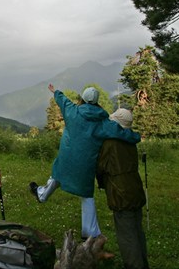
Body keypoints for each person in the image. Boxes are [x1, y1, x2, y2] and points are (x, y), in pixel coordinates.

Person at [29, 84, 141, 241]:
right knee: (86, 195)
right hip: (85, 165)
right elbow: (121, 133)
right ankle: (89, 232)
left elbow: (63, 100)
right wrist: (136, 137)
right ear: (96, 102)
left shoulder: (73, 111)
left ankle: (41, 194)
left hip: (66, 157)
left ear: (82, 99)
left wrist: (55, 91)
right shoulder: (103, 123)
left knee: (57, 175)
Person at [97, 108, 149, 269]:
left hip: (121, 192)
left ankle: (135, 265)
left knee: (127, 235)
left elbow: (100, 167)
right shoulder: (131, 140)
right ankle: (143, 264)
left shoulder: (110, 142)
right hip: (135, 187)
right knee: (137, 230)